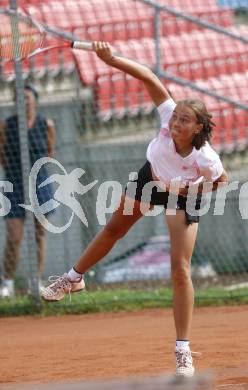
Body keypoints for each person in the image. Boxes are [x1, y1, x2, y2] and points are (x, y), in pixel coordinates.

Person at [41, 42, 228, 377]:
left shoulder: (205, 157)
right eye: (175, 116)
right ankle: (73, 279)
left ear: (198, 128)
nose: (175, 121)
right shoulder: (166, 118)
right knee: (114, 230)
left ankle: (182, 350)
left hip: (182, 196)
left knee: (179, 270)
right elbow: (148, 77)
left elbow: (221, 181)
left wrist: (188, 188)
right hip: (149, 180)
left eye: (184, 120)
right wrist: (111, 60)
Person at [0, 84, 56, 298]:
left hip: (40, 182)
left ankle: (36, 280)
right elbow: (2, 155)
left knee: (40, 234)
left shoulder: (46, 124)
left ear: (35, 100)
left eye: (28, 98)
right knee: (14, 237)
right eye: (20, 98)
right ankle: (8, 283)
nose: (24, 102)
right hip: (14, 183)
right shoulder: (7, 125)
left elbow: (50, 153)